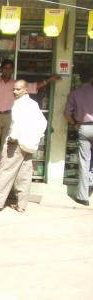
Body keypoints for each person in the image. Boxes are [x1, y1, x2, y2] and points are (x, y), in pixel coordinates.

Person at [0, 59, 59, 181]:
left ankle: (1, 174)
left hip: (10, 117)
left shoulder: (17, 85)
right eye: (5, 68)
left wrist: (49, 80)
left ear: (12, 70)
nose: (7, 70)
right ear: (1, 69)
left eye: (10, 68)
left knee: (6, 146)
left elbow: (34, 86)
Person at [0, 80, 47, 212]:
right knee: (24, 174)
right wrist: (36, 137)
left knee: (5, 171)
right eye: (14, 89)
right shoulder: (33, 104)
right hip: (29, 144)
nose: (15, 92)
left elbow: (17, 123)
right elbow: (43, 122)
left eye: (19, 89)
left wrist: (13, 137)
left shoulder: (18, 105)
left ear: (26, 90)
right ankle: (21, 205)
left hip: (16, 143)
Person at [64, 67, 93, 206]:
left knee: (84, 161)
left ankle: (83, 196)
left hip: (83, 127)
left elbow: (67, 114)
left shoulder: (75, 93)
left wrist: (75, 124)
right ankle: (91, 180)